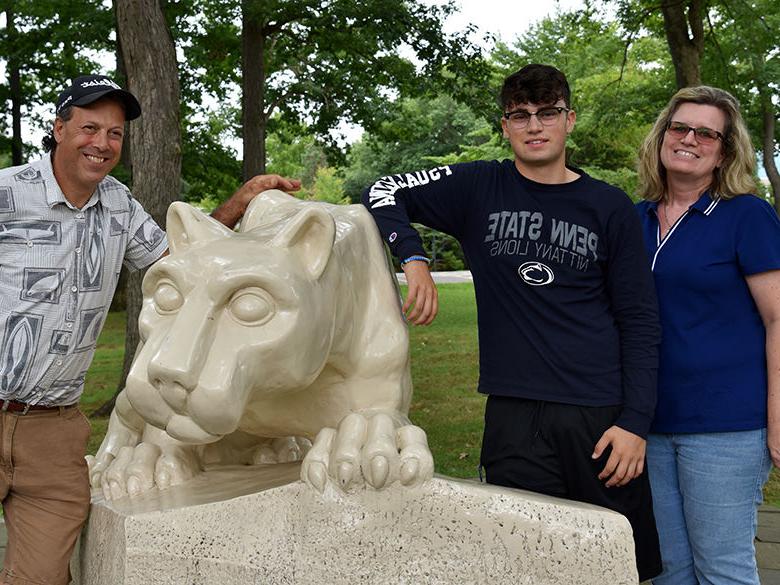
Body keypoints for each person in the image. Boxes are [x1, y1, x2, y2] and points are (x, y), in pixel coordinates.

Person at [362, 63, 662, 581]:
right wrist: (413, 258)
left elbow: (639, 319)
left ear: (570, 119)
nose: (534, 125)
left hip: (597, 413)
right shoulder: (480, 186)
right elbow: (382, 190)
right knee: (519, 560)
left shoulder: (608, 206)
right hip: (514, 414)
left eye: (547, 113)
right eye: (519, 115)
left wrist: (634, 422)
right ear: (505, 126)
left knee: (612, 562)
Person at [0, 74, 300, 585]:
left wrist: (241, 201)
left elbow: (184, 263)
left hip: (53, 434)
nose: (102, 143)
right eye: (90, 127)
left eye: (114, 134)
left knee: (42, 577)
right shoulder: (7, 194)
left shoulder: (119, 205)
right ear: (59, 128)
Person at [636, 86, 780, 585]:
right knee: (669, 569)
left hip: (726, 427)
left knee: (721, 568)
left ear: (724, 151)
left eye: (706, 133)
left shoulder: (746, 216)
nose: (689, 139)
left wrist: (779, 419)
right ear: (662, 137)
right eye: (680, 128)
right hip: (649, 425)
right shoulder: (636, 219)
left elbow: (778, 319)